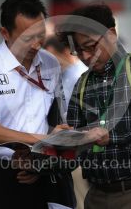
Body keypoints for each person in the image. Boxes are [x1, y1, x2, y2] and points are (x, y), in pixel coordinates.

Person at [0, 0, 75, 209]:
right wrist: (46, 139)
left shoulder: (50, 64)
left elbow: (51, 117)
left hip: (33, 172)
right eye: (26, 38)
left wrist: (39, 162)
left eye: (40, 35)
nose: (36, 44)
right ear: (5, 33)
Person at [57, 4, 131, 209]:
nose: (85, 56)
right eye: (78, 50)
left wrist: (112, 137)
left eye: (91, 46)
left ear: (111, 34)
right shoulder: (83, 83)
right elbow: (74, 145)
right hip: (96, 195)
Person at [44, 36, 88, 209]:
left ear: (65, 53)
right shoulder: (64, 76)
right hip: (70, 149)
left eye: (51, 57)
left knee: (81, 200)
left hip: (79, 149)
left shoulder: (78, 75)